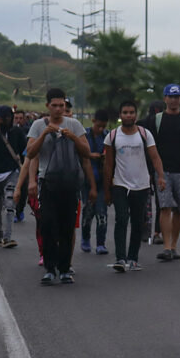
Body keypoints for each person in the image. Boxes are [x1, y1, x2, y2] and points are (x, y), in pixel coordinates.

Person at [26, 88, 96, 285]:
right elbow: (30, 153)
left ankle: (64, 269)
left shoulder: (74, 124)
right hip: (47, 183)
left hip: (69, 182)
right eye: (54, 106)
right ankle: (50, 268)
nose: (58, 109)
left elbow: (86, 153)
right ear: (47, 106)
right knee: (47, 224)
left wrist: (72, 137)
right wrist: (44, 135)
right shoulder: (38, 125)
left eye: (62, 106)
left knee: (67, 226)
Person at [104, 100, 166, 272]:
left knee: (138, 223)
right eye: (125, 112)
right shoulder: (112, 136)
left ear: (136, 115)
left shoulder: (145, 134)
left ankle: (133, 259)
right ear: (120, 115)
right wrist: (107, 190)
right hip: (120, 184)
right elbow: (108, 165)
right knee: (121, 219)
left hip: (141, 185)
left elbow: (155, 157)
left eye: (131, 112)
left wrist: (160, 176)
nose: (128, 115)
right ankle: (120, 258)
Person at [150, 84, 180, 262]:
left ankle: (174, 246)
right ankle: (167, 246)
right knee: (165, 206)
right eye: (170, 97)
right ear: (165, 99)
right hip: (163, 171)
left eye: (176, 97)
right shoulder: (157, 120)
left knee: (179, 209)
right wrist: (152, 171)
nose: (173, 100)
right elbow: (150, 145)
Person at [0, 105, 26, 248]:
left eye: (9, 117)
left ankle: (8, 238)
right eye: (4, 118)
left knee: (9, 204)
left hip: (11, 172)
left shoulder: (17, 132)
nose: (7, 120)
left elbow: (23, 150)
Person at [81, 109, 109, 255]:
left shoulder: (107, 136)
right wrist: (90, 155)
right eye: (99, 125)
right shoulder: (84, 135)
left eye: (103, 126)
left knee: (102, 214)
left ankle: (101, 243)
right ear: (93, 121)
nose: (101, 129)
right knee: (88, 212)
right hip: (87, 182)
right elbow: (80, 154)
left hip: (102, 182)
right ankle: (85, 239)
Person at [138, 100, 166, 244]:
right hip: (160, 165)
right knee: (160, 201)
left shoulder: (141, 124)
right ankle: (157, 232)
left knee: (146, 201)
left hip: (146, 166)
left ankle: (145, 231)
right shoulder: (165, 123)